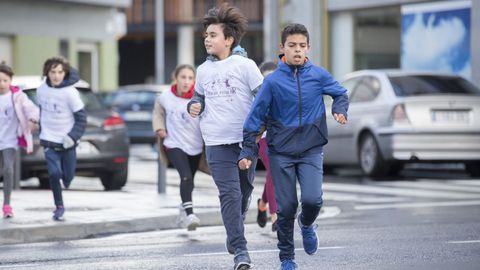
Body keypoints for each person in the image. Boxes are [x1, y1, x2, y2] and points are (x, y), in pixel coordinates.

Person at [238, 23, 349, 270]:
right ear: (282, 48)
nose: (297, 50)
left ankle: (307, 224)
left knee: (312, 200)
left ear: (308, 48)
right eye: (292, 46)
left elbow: (341, 94)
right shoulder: (273, 82)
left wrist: (339, 110)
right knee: (286, 207)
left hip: (311, 148)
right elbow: (254, 118)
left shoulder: (319, 75)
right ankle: (287, 258)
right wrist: (247, 151)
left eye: (301, 46)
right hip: (280, 152)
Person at [187, 3, 263, 270]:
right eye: (206, 35)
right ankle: (240, 250)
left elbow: (263, 97)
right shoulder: (203, 70)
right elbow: (198, 97)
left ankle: (235, 227)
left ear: (228, 39)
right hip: (216, 142)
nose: (207, 39)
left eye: (213, 35)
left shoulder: (245, 66)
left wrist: (262, 128)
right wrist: (194, 105)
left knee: (243, 191)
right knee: (229, 194)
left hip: (245, 142)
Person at [152, 64, 203, 231]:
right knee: (186, 177)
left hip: (195, 145)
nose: (186, 81)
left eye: (190, 78)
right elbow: (158, 113)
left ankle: (183, 208)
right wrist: (160, 129)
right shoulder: (166, 96)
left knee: (190, 181)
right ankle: (189, 215)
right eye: (183, 77)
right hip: (173, 143)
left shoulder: (199, 97)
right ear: (176, 77)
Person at [37, 57, 86, 221]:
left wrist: (72, 137)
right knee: (53, 173)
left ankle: (67, 179)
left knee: (68, 176)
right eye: (53, 72)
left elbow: (81, 119)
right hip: (49, 140)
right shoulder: (41, 90)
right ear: (47, 73)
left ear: (65, 73)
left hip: (67, 142)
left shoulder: (70, 93)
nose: (56, 76)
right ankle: (59, 206)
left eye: (60, 72)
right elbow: (42, 112)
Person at [0, 62, 39, 218]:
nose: (1, 84)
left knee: (8, 170)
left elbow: (32, 109)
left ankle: (7, 204)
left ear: (10, 81)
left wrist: (33, 120)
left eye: (5, 80)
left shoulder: (17, 96)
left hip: (9, 141)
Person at [255, 61, 278, 232]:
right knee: (274, 172)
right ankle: (275, 217)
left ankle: (262, 204)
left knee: (273, 174)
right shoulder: (257, 96)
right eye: (265, 79)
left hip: (282, 139)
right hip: (263, 138)